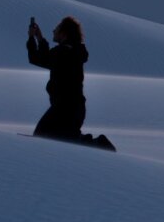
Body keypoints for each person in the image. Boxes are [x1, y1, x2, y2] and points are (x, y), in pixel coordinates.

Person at [27, 15, 115, 151]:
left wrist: (32, 38)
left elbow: (37, 59)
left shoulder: (63, 52)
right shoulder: (72, 51)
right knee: (65, 140)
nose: (53, 31)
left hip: (65, 108)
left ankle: (99, 144)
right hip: (74, 108)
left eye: (56, 29)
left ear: (64, 33)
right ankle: (98, 144)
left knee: (42, 136)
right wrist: (39, 38)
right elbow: (46, 60)